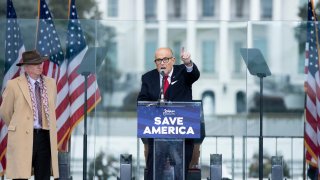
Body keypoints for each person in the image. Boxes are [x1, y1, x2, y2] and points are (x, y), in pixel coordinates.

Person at [137, 47, 200, 179]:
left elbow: (194, 75)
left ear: (173, 60)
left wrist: (188, 63)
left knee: (179, 171)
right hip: (158, 134)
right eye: (158, 60)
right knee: (155, 172)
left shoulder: (183, 72)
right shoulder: (148, 78)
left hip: (182, 133)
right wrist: (155, 106)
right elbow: (142, 102)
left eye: (165, 59)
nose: (162, 63)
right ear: (155, 63)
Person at [0, 50, 59, 179]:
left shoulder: (51, 83)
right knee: (20, 176)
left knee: (43, 176)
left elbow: (52, 106)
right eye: (35, 63)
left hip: (45, 136)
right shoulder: (13, 85)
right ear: (26, 67)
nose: (40, 65)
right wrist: (20, 125)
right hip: (22, 136)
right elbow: (5, 112)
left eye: (40, 62)